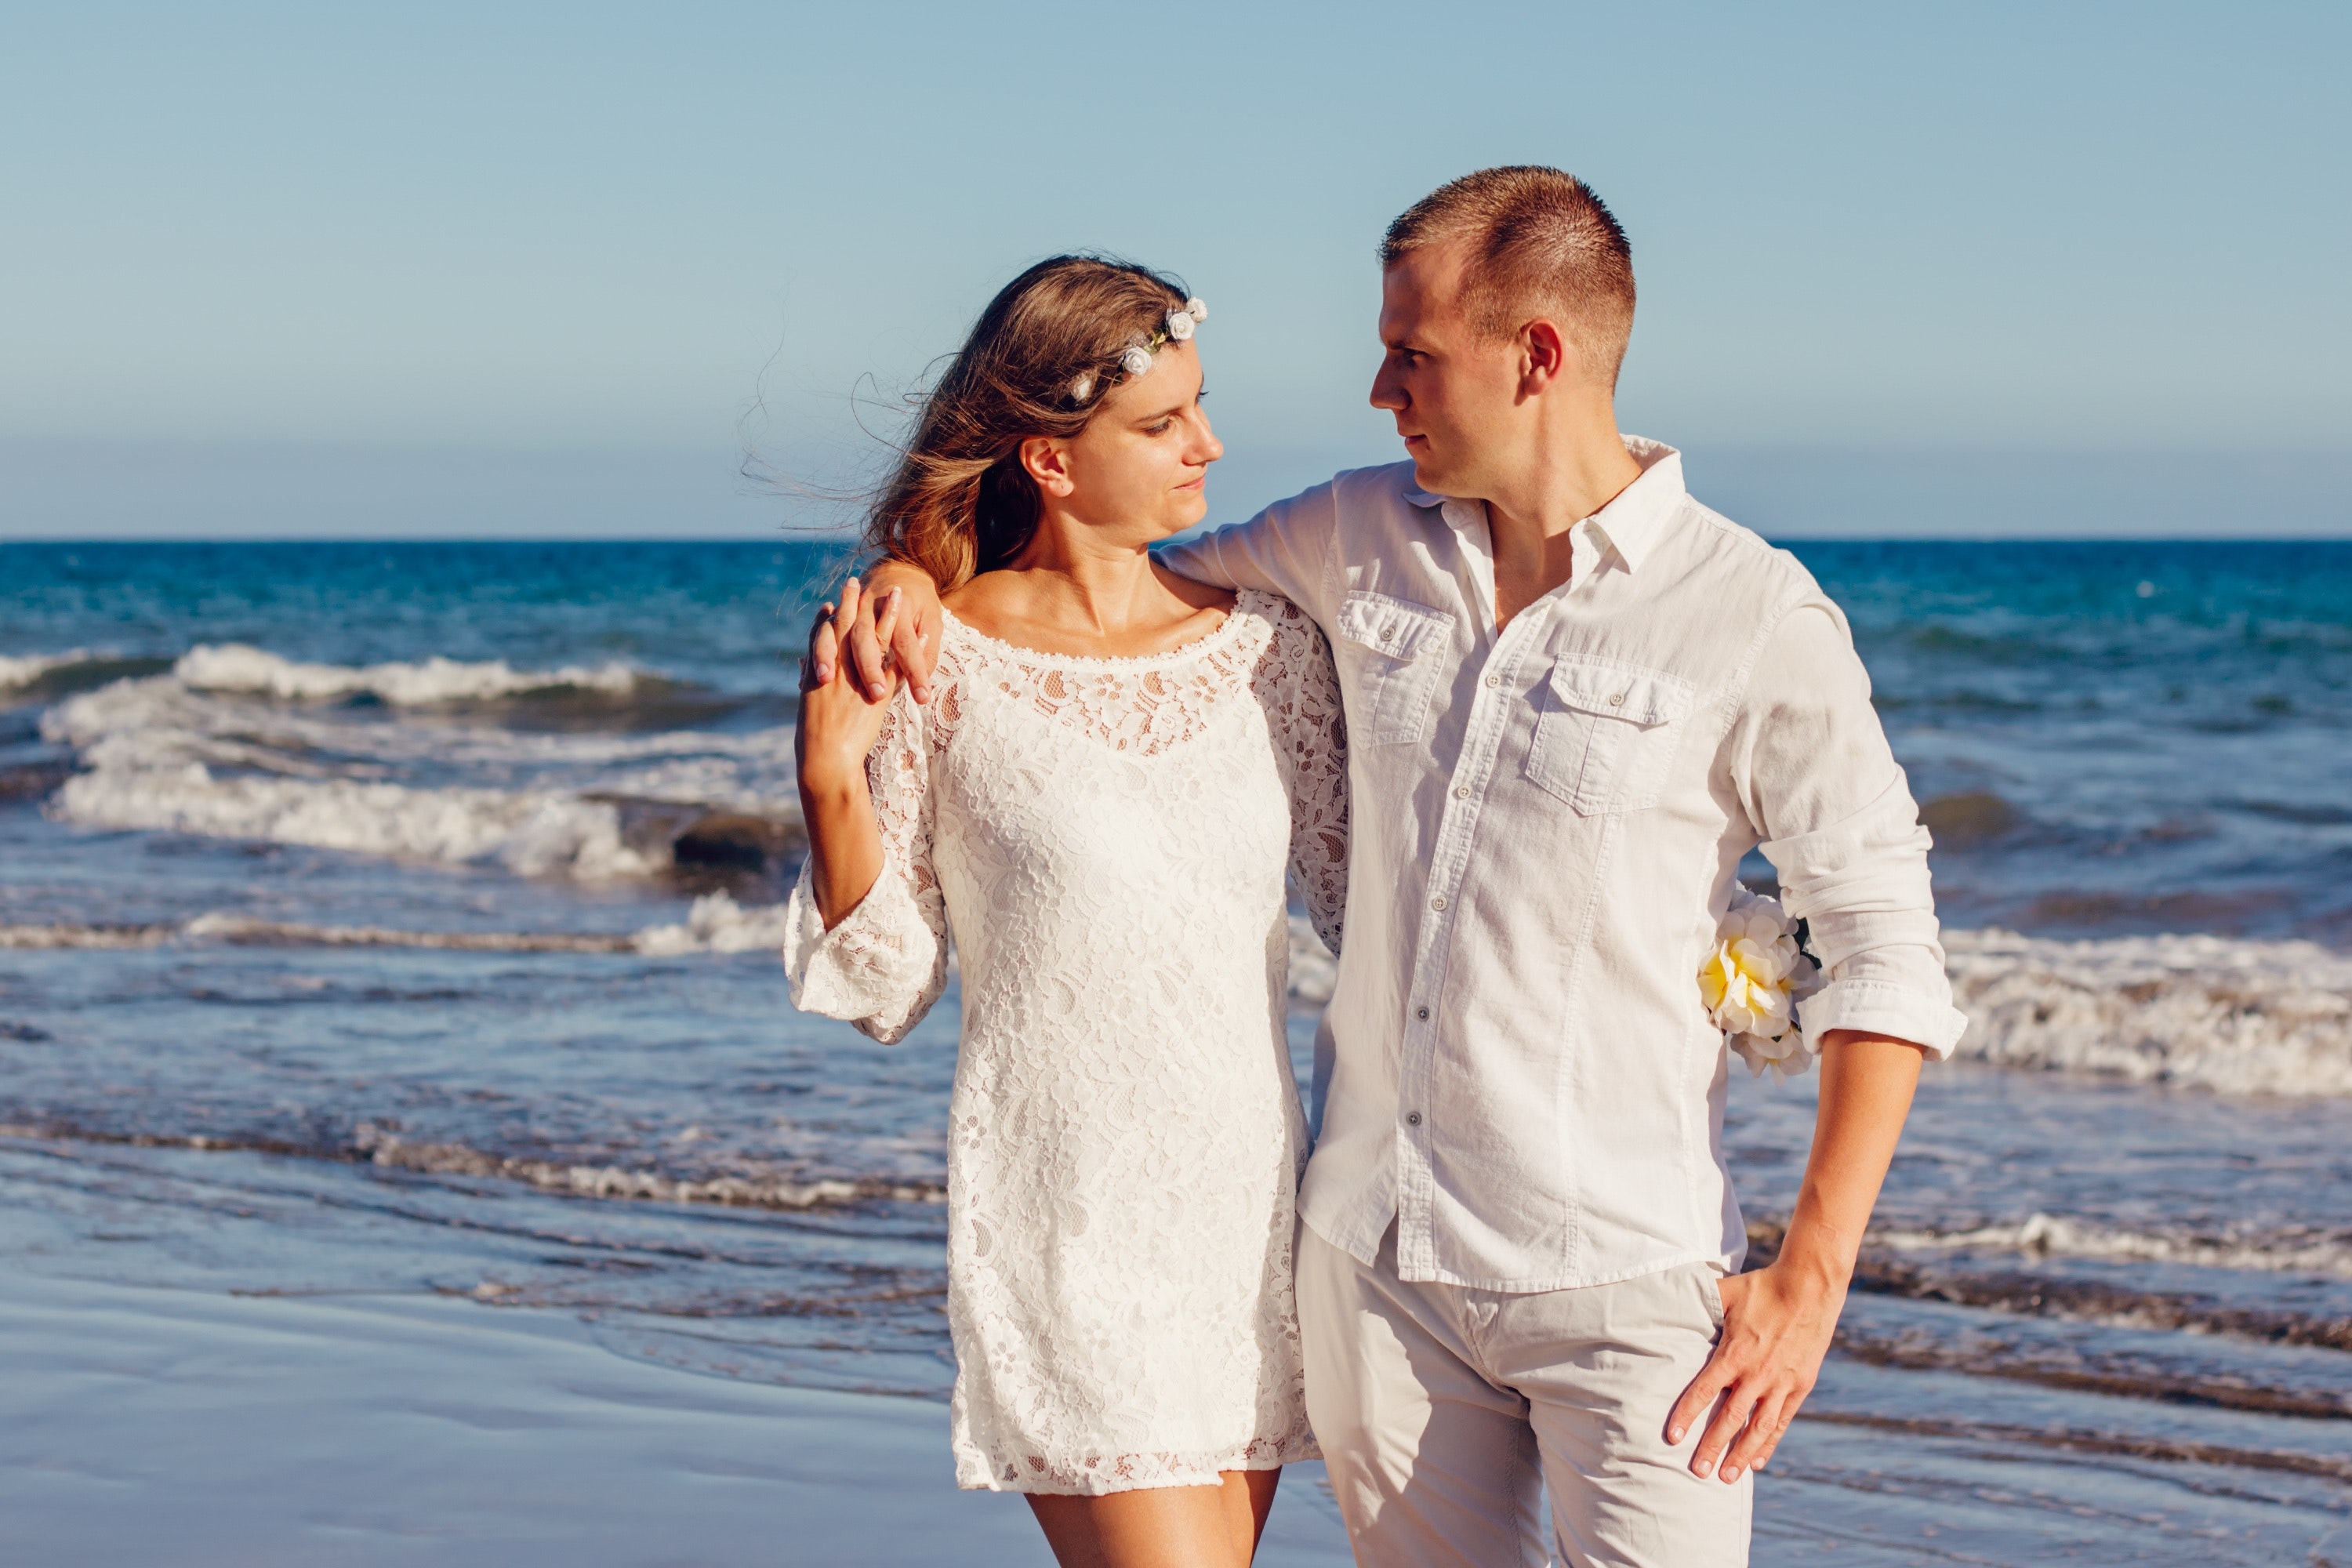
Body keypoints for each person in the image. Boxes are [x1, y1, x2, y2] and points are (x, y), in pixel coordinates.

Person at [823, 169, 1968, 1566]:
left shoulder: (1750, 612)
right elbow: (1107, 590)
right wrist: (911, 582)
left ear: (1535, 355)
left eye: (1410, 353)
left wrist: (1811, 1277)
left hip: (1627, 1278)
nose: (1378, 388)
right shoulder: (1350, 541)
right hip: (1373, 1277)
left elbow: (1885, 941)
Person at [785, 256, 1349, 1568]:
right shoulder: (937, 664)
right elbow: (883, 985)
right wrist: (828, 780)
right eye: (1162, 425)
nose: (1209, 445)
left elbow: (1383, 911)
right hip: (1069, 1228)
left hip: (1252, 1223)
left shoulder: (1274, 653)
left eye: (1201, 406)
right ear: (1047, 459)